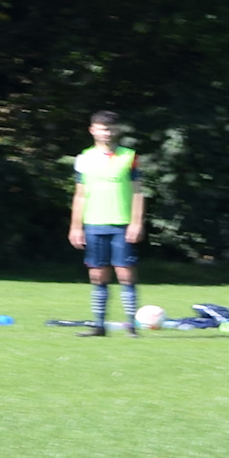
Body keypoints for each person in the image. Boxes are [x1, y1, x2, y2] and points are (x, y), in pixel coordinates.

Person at [68, 111, 146, 337]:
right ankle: (99, 325)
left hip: (122, 223)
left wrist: (136, 222)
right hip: (94, 223)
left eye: (111, 128)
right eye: (102, 128)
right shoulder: (84, 158)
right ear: (92, 130)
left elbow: (138, 192)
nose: (107, 133)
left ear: (117, 130)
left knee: (125, 273)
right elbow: (80, 195)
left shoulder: (129, 157)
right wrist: (75, 226)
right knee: (97, 275)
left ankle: (131, 326)